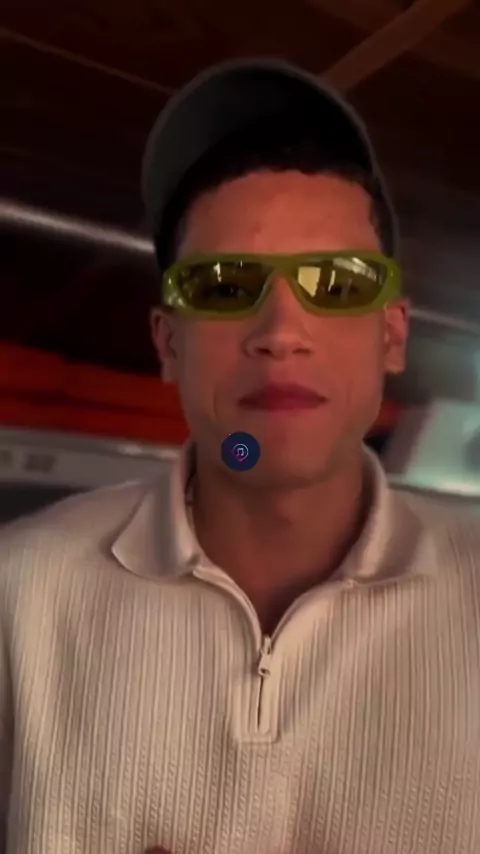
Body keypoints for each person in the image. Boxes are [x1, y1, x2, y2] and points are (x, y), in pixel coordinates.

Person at [1, 58, 479, 854]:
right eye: (223, 285)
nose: (281, 332)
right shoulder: (18, 596)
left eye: (336, 282)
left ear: (392, 335)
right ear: (168, 344)